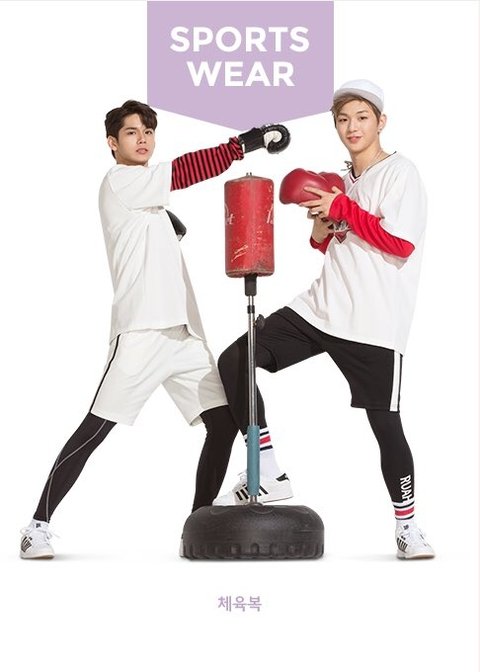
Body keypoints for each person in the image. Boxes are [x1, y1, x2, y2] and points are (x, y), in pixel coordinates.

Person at [20, 100, 290, 559]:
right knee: (96, 428)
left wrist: (168, 224)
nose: (142, 139)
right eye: (131, 132)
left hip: (184, 335)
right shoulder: (120, 180)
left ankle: (198, 526)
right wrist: (244, 144)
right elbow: (185, 170)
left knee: (223, 424)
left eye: (148, 131)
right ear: (113, 143)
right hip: (141, 332)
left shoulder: (150, 200)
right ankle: (36, 527)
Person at [215, 80, 434, 560]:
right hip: (320, 308)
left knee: (386, 426)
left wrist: (340, 207)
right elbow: (331, 244)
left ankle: (408, 527)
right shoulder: (343, 181)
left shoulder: (401, 173)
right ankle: (268, 469)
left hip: (373, 323)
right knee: (236, 359)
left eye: (362, 117)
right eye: (343, 119)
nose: (352, 127)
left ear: (380, 122)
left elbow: (400, 244)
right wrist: (323, 224)